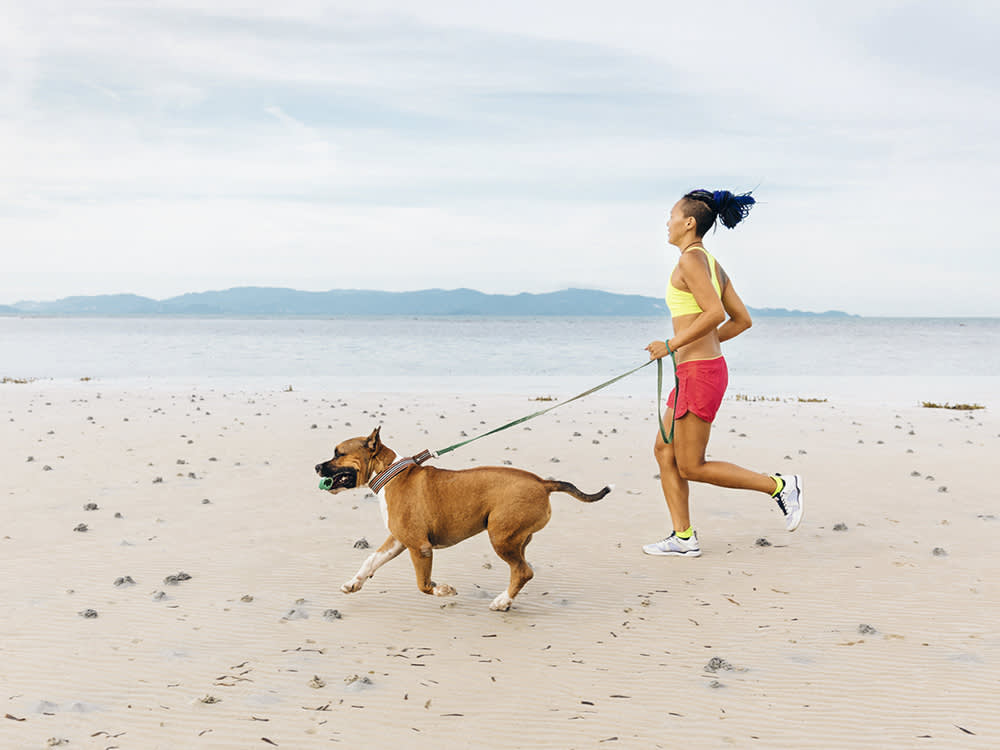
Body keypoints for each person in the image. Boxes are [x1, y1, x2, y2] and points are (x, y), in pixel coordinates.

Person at [643, 189, 802, 557]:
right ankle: (683, 538)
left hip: (699, 373)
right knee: (664, 451)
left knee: (692, 465)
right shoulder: (712, 264)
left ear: (689, 222)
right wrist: (691, 348)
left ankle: (779, 486)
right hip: (696, 370)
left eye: (671, 215)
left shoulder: (691, 262)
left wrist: (672, 344)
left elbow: (715, 314)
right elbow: (741, 321)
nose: (666, 223)